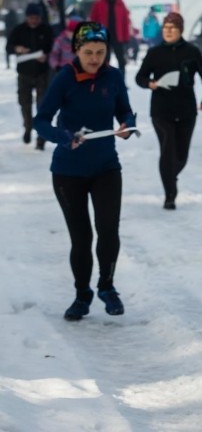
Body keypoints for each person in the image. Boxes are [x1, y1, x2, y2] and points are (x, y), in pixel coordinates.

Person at [33, 21, 137, 321]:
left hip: (106, 167)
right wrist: (63, 137)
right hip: (68, 171)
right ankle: (82, 295)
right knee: (81, 238)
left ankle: (106, 286)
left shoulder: (113, 76)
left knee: (108, 230)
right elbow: (40, 121)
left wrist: (127, 126)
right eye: (89, 52)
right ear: (76, 51)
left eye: (101, 52)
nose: (95, 58)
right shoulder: (65, 78)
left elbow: (126, 111)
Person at [135, 12, 202, 209]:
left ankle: (171, 176)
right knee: (168, 146)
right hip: (161, 109)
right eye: (165, 28)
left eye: (173, 28)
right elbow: (140, 77)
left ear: (180, 30)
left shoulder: (192, 51)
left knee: (181, 155)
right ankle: (169, 193)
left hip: (186, 109)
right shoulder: (155, 53)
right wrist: (149, 84)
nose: (168, 32)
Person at [6, 2, 53, 149]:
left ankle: (41, 136)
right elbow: (8, 47)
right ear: (27, 17)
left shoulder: (46, 30)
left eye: (36, 18)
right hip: (24, 73)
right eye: (31, 17)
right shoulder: (19, 30)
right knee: (24, 103)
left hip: (42, 73)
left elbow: (53, 48)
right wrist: (17, 48)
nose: (33, 20)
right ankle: (28, 126)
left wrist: (46, 56)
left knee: (42, 105)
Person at [89, 0, 132, 76]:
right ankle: (104, 81)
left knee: (121, 60)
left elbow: (125, 22)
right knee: (104, 60)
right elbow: (93, 21)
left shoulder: (121, 4)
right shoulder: (98, 4)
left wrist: (126, 37)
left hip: (118, 37)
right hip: (104, 37)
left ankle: (121, 81)